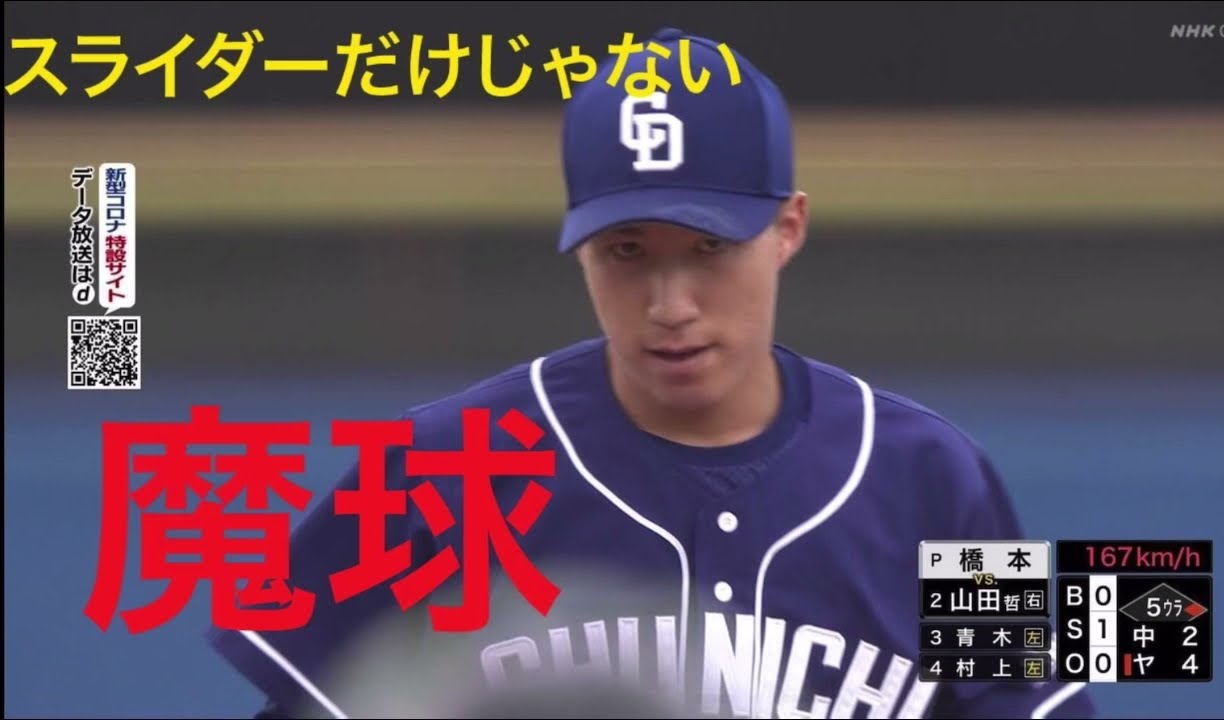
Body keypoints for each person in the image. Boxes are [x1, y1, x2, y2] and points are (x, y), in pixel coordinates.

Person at [207, 27, 1096, 719]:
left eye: (709, 247)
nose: (670, 303)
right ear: (580, 250)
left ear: (788, 228)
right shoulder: (441, 466)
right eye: (626, 251)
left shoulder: (935, 478)